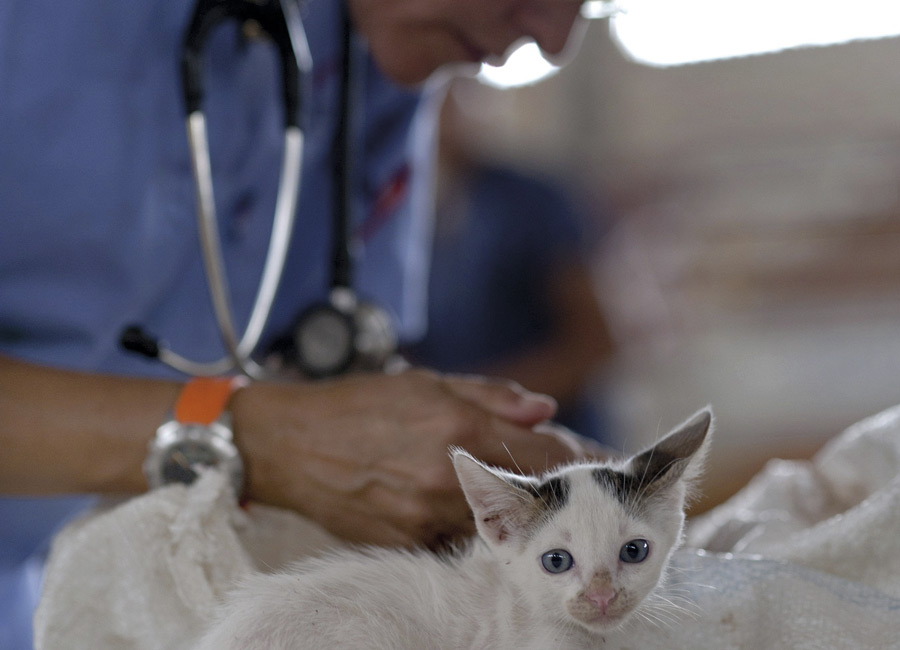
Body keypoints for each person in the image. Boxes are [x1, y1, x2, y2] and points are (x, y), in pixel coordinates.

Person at [0, 0, 591, 647]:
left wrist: (439, 460)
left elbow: (332, 366)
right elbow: (289, 432)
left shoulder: (378, 57)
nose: (554, 37)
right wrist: (253, 440)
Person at [403, 82, 616, 442]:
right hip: (459, 445)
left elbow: (593, 343)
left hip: (553, 440)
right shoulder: (393, 213)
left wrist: (478, 403)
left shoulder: (531, 203)